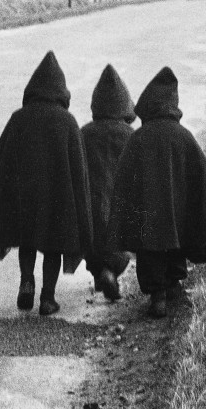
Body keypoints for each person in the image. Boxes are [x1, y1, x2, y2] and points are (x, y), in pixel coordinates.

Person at [0, 50, 92, 316]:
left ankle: (26, 282)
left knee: (27, 240)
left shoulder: (18, 119)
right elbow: (79, 170)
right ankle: (47, 298)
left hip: (24, 196)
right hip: (56, 197)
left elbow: (0, 164)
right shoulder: (68, 122)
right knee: (53, 245)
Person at [107, 66, 206, 318]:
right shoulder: (184, 137)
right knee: (176, 239)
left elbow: (123, 177)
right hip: (175, 217)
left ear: (147, 105)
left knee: (150, 248)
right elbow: (202, 172)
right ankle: (173, 284)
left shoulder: (138, 138)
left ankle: (157, 295)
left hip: (148, 216)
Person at [80, 64, 136, 302]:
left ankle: (99, 273)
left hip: (91, 201)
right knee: (120, 245)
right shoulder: (129, 134)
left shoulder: (85, 133)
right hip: (119, 201)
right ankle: (110, 272)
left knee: (93, 243)